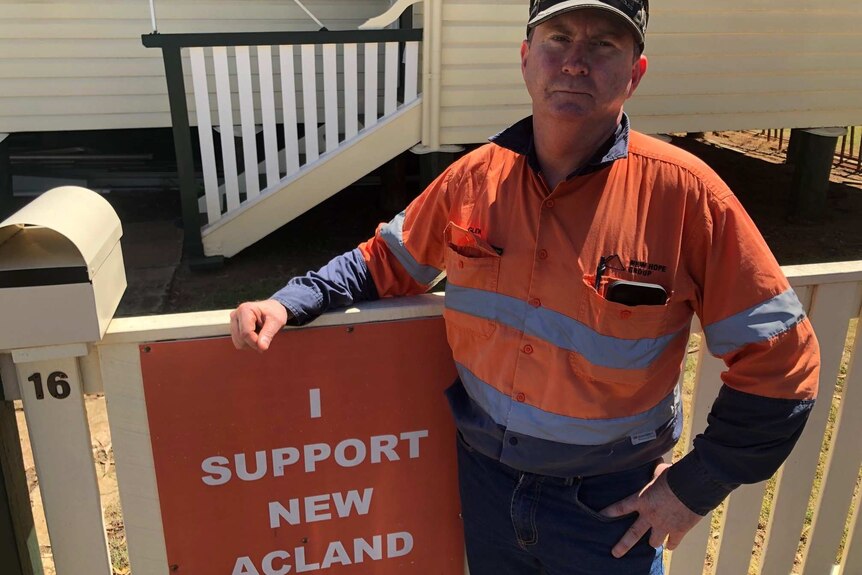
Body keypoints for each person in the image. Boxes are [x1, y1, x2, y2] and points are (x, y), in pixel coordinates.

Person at [231, 0, 820, 573]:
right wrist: (288, 302)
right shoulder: (473, 178)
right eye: (557, 39)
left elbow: (784, 367)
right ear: (525, 58)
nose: (575, 61)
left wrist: (694, 487)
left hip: (608, 509)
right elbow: (381, 263)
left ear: (635, 73)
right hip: (484, 482)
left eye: (603, 44)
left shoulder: (687, 196)